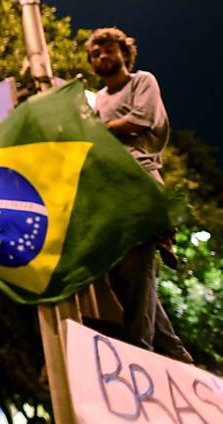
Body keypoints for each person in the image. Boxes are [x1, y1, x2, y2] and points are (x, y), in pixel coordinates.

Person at [85, 26, 193, 363]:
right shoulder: (97, 100)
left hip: (141, 188)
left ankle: (139, 356)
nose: (102, 56)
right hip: (111, 194)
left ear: (125, 53)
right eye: (95, 53)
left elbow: (141, 120)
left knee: (136, 270)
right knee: (123, 279)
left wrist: (98, 130)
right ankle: (178, 356)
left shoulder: (142, 81)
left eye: (108, 50)